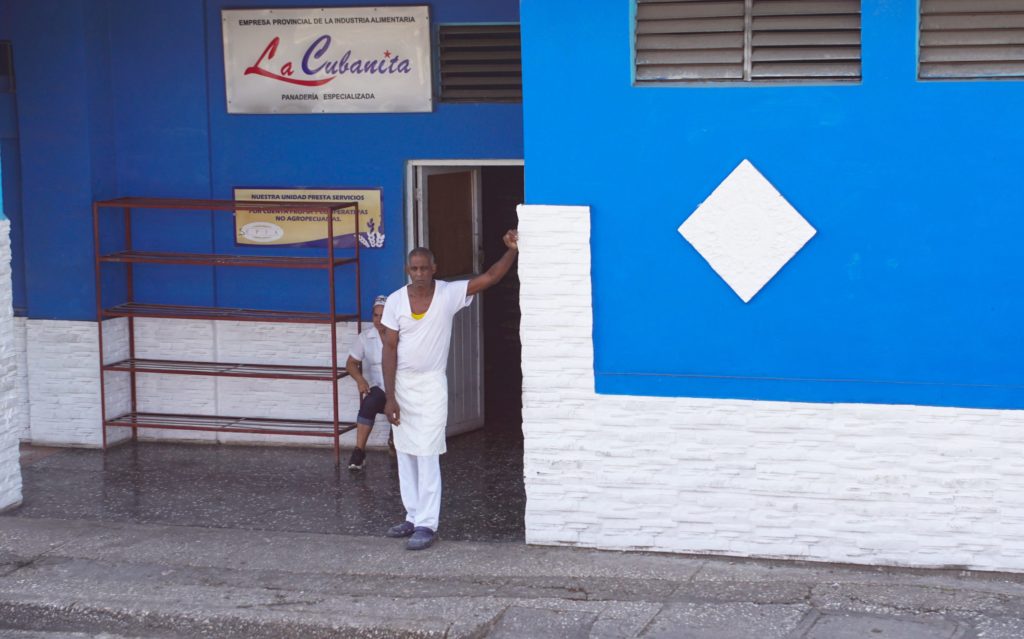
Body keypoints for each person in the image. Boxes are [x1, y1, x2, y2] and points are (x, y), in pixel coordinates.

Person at [381, 230, 519, 550]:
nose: (419, 274)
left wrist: (512, 250)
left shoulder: (447, 294)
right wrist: (389, 396)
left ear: (434, 268)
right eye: (413, 269)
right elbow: (389, 349)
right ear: (407, 270)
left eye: (424, 268)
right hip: (402, 384)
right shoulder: (395, 301)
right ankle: (412, 515)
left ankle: (428, 524)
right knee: (406, 453)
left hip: (431, 384)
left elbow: (491, 277)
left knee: (427, 452)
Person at [345, 295, 389, 470]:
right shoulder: (366, 337)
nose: (379, 320)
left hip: (402, 386)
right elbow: (350, 363)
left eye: (383, 316)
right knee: (369, 402)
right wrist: (360, 380)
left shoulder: (400, 335)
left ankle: (396, 441)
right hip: (381, 387)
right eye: (376, 315)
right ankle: (359, 452)